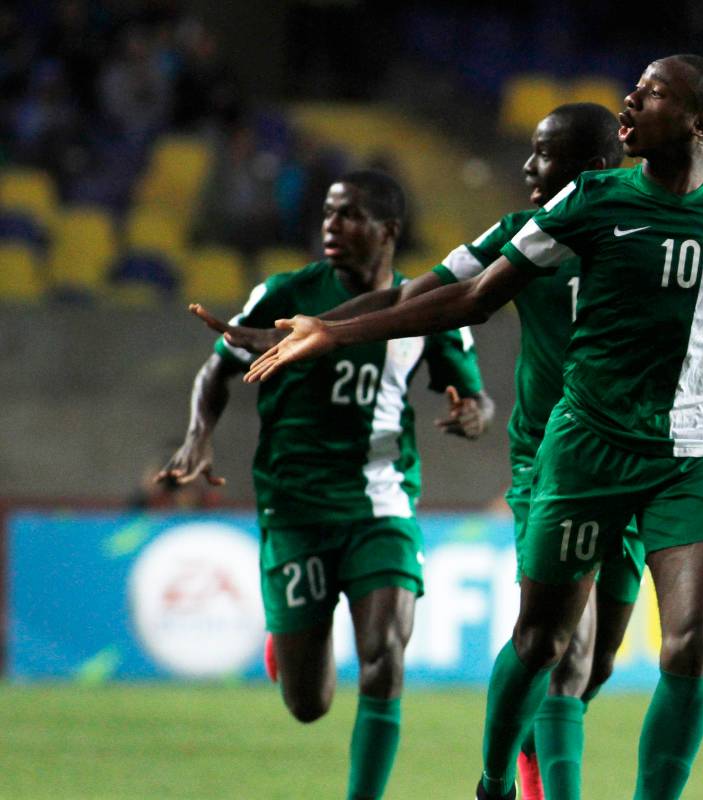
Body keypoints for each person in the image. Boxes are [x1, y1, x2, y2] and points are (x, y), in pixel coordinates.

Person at [239, 55, 703, 800]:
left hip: (691, 457)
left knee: (691, 645)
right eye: (632, 92)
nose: (630, 106)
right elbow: (471, 298)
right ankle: (495, 781)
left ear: (701, 123)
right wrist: (335, 332)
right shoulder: (589, 202)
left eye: (651, 95)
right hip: (583, 454)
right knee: (543, 644)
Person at [195, 102, 703, 800]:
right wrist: (319, 327)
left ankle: (527, 744)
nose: (528, 167)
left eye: (543, 154)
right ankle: (518, 778)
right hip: (554, 460)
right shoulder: (522, 235)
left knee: (596, 668)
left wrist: (692, 364)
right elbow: (428, 293)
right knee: (564, 651)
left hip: (654, 454)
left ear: (589, 168)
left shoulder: (654, 234)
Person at [157, 170, 494, 800]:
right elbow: (216, 370)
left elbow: (477, 396)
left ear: (389, 231)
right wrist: (198, 437)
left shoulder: (425, 306)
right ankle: (287, 641)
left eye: (350, 216)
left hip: (381, 504)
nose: (332, 227)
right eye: (328, 215)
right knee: (308, 705)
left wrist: (473, 413)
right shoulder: (286, 293)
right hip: (296, 509)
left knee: (384, 658)